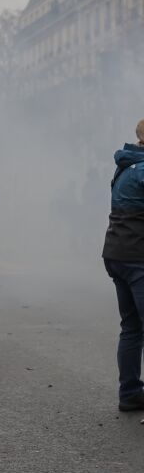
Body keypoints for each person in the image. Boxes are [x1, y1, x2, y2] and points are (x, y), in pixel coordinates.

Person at [103, 119, 144, 412]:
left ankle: (129, 392)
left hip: (117, 253)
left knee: (131, 327)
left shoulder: (126, 167)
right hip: (137, 257)